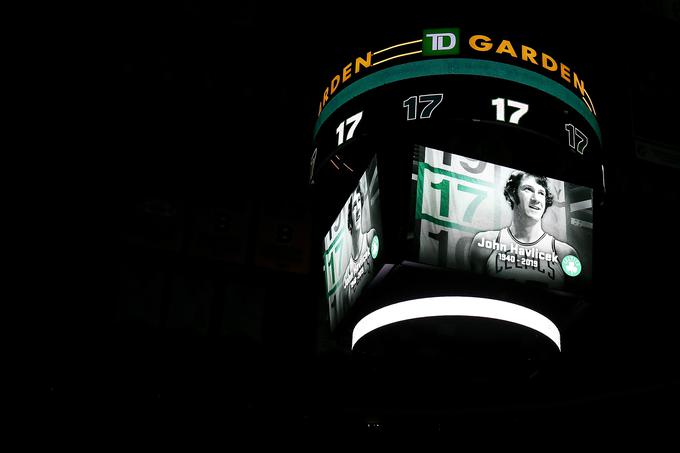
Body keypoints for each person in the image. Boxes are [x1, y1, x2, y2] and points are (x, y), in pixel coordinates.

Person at [468, 171, 579, 288]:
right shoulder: (485, 242)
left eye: (541, 193)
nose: (536, 198)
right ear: (512, 193)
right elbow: (476, 291)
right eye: (528, 189)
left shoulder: (565, 253)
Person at [338, 183, 377, 313]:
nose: (358, 209)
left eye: (359, 202)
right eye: (354, 205)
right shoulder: (346, 280)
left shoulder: (371, 238)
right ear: (349, 223)